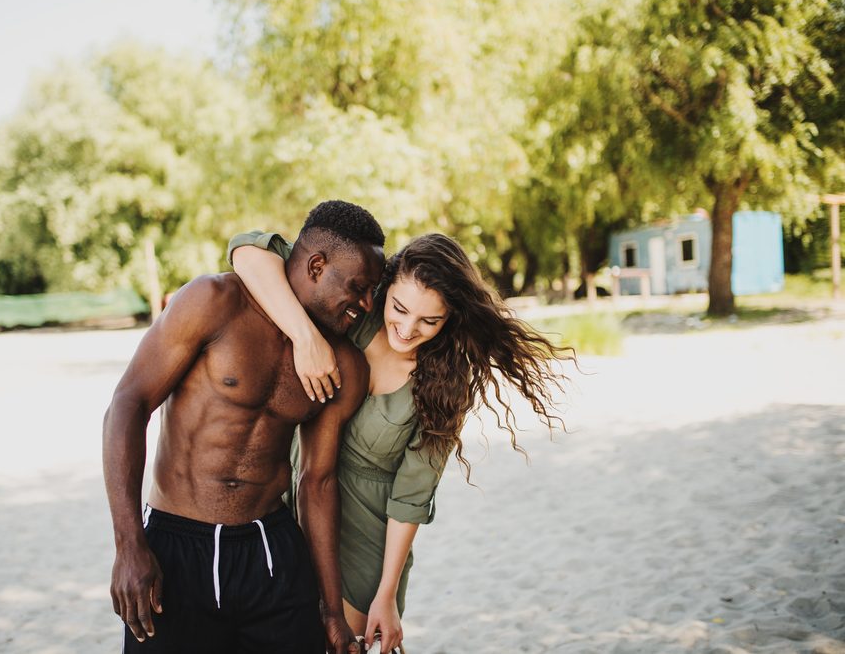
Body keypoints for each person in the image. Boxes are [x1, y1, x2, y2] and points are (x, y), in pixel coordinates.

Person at [230, 230, 570, 653]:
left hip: (366, 538)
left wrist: (386, 593)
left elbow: (412, 495)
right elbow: (247, 249)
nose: (408, 329)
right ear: (384, 288)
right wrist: (305, 337)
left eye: (430, 321)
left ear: (449, 319)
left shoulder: (447, 381)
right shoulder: (353, 311)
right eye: (400, 308)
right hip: (290, 504)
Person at [103, 200, 386, 654]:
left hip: (271, 552)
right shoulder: (215, 302)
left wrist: (331, 610)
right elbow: (128, 405)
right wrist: (128, 545)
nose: (367, 304)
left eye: (372, 291)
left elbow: (317, 481)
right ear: (316, 266)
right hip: (177, 548)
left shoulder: (343, 366)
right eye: (359, 287)